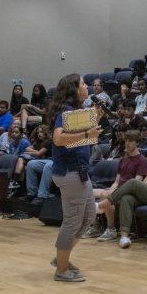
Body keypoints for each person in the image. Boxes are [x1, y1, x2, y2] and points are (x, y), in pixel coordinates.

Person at [48, 73, 103, 283]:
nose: (87, 86)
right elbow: (59, 139)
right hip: (70, 173)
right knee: (72, 221)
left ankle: (61, 257)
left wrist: (95, 119)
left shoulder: (76, 111)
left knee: (89, 216)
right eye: (83, 84)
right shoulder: (66, 111)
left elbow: (79, 137)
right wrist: (88, 134)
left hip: (79, 172)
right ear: (74, 89)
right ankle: (61, 270)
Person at [94, 130, 147, 245]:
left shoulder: (142, 161)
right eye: (126, 140)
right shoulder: (123, 160)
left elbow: (137, 183)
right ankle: (95, 226)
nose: (127, 143)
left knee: (103, 195)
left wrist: (113, 191)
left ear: (137, 143)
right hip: (118, 189)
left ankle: (111, 229)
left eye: (130, 141)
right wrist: (112, 188)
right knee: (89, 193)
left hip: (130, 192)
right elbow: (117, 181)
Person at [23, 124, 56, 205]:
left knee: (48, 166)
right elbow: (27, 148)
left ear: (46, 132)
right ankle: (31, 193)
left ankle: (42, 195)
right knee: (31, 164)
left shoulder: (49, 141)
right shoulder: (38, 142)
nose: (39, 134)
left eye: (41, 132)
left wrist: (34, 152)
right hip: (45, 160)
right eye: (38, 133)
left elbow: (39, 154)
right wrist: (35, 152)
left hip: (53, 160)